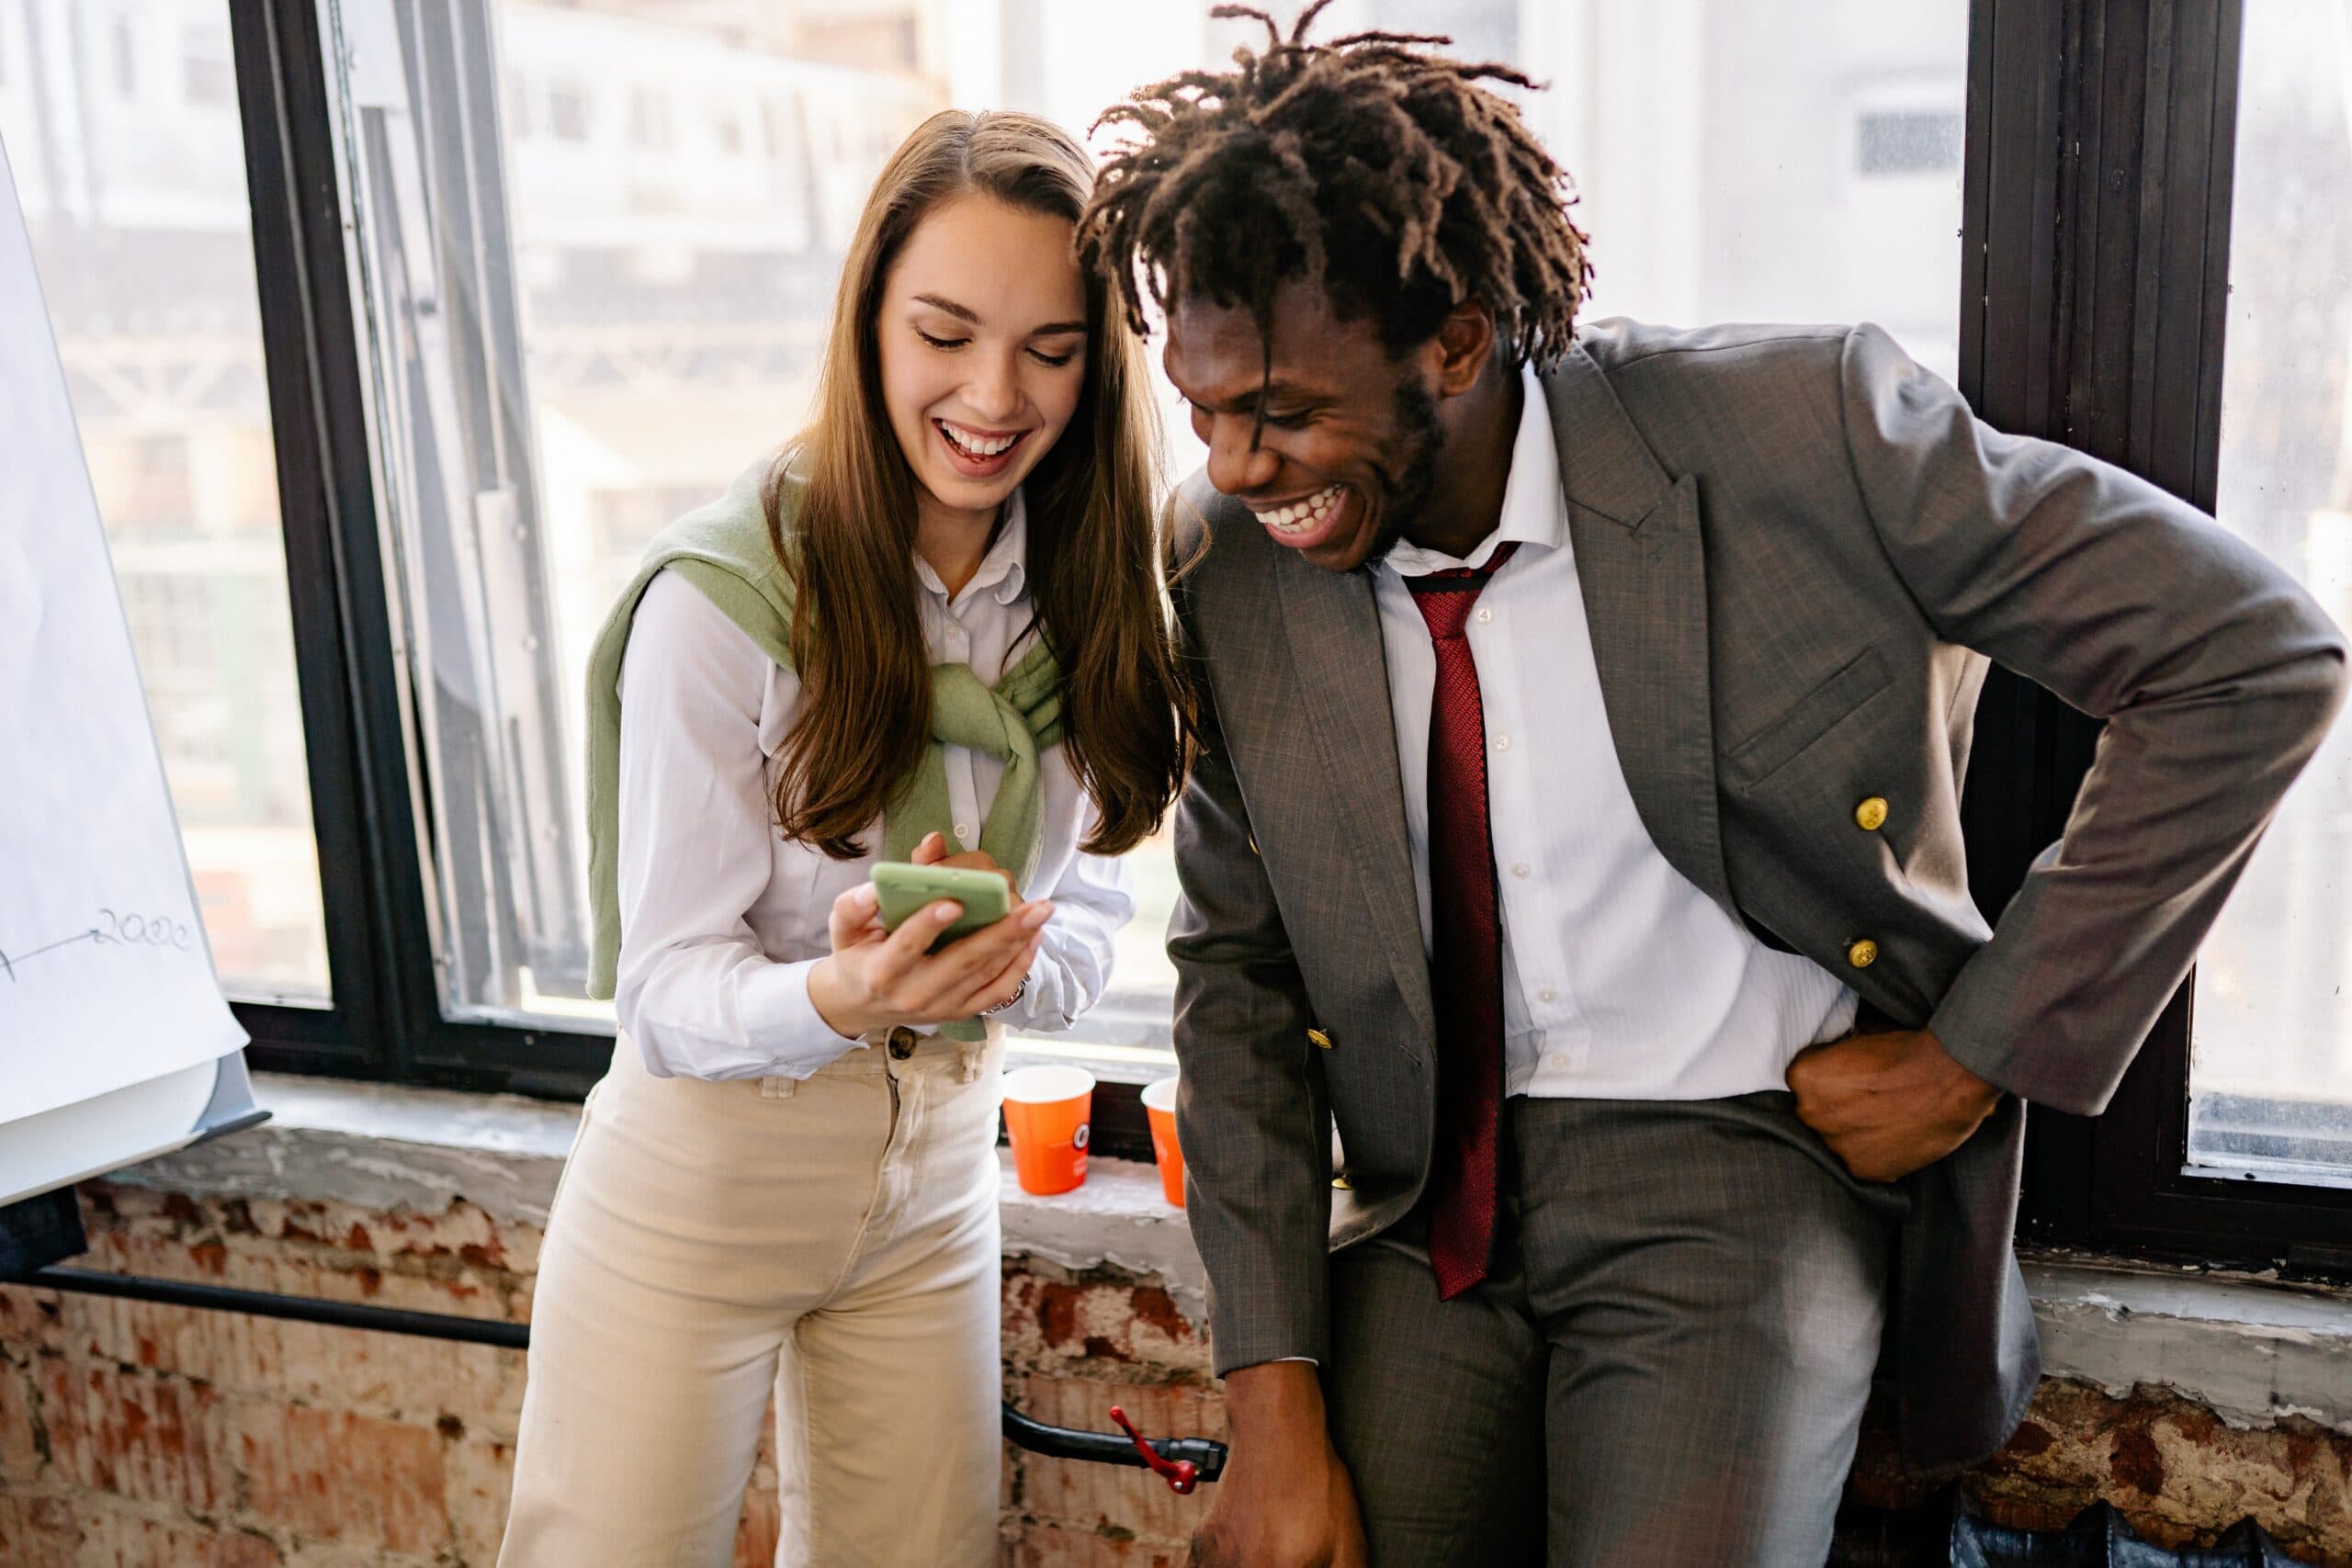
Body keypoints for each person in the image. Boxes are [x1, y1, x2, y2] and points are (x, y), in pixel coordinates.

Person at [1075, 7, 2350, 1565]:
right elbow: (1239, 976)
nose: (1234, 464)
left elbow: (2250, 657)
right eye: (1202, 411)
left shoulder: (1801, 433)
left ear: (1458, 341)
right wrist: (1266, 1402)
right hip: (1428, 1206)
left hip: (1742, 1166)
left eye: (1279, 412)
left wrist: (1974, 1055)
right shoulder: (1228, 562)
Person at [499, 108, 1191, 1568]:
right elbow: (667, 990)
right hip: (700, 1184)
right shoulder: (722, 599)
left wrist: (1008, 967)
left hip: (934, 1181)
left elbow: (1092, 920)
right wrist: (840, 998)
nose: (993, 395)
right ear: (868, 321)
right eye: (944, 333)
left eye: (1051, 351)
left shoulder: (1091, 595)